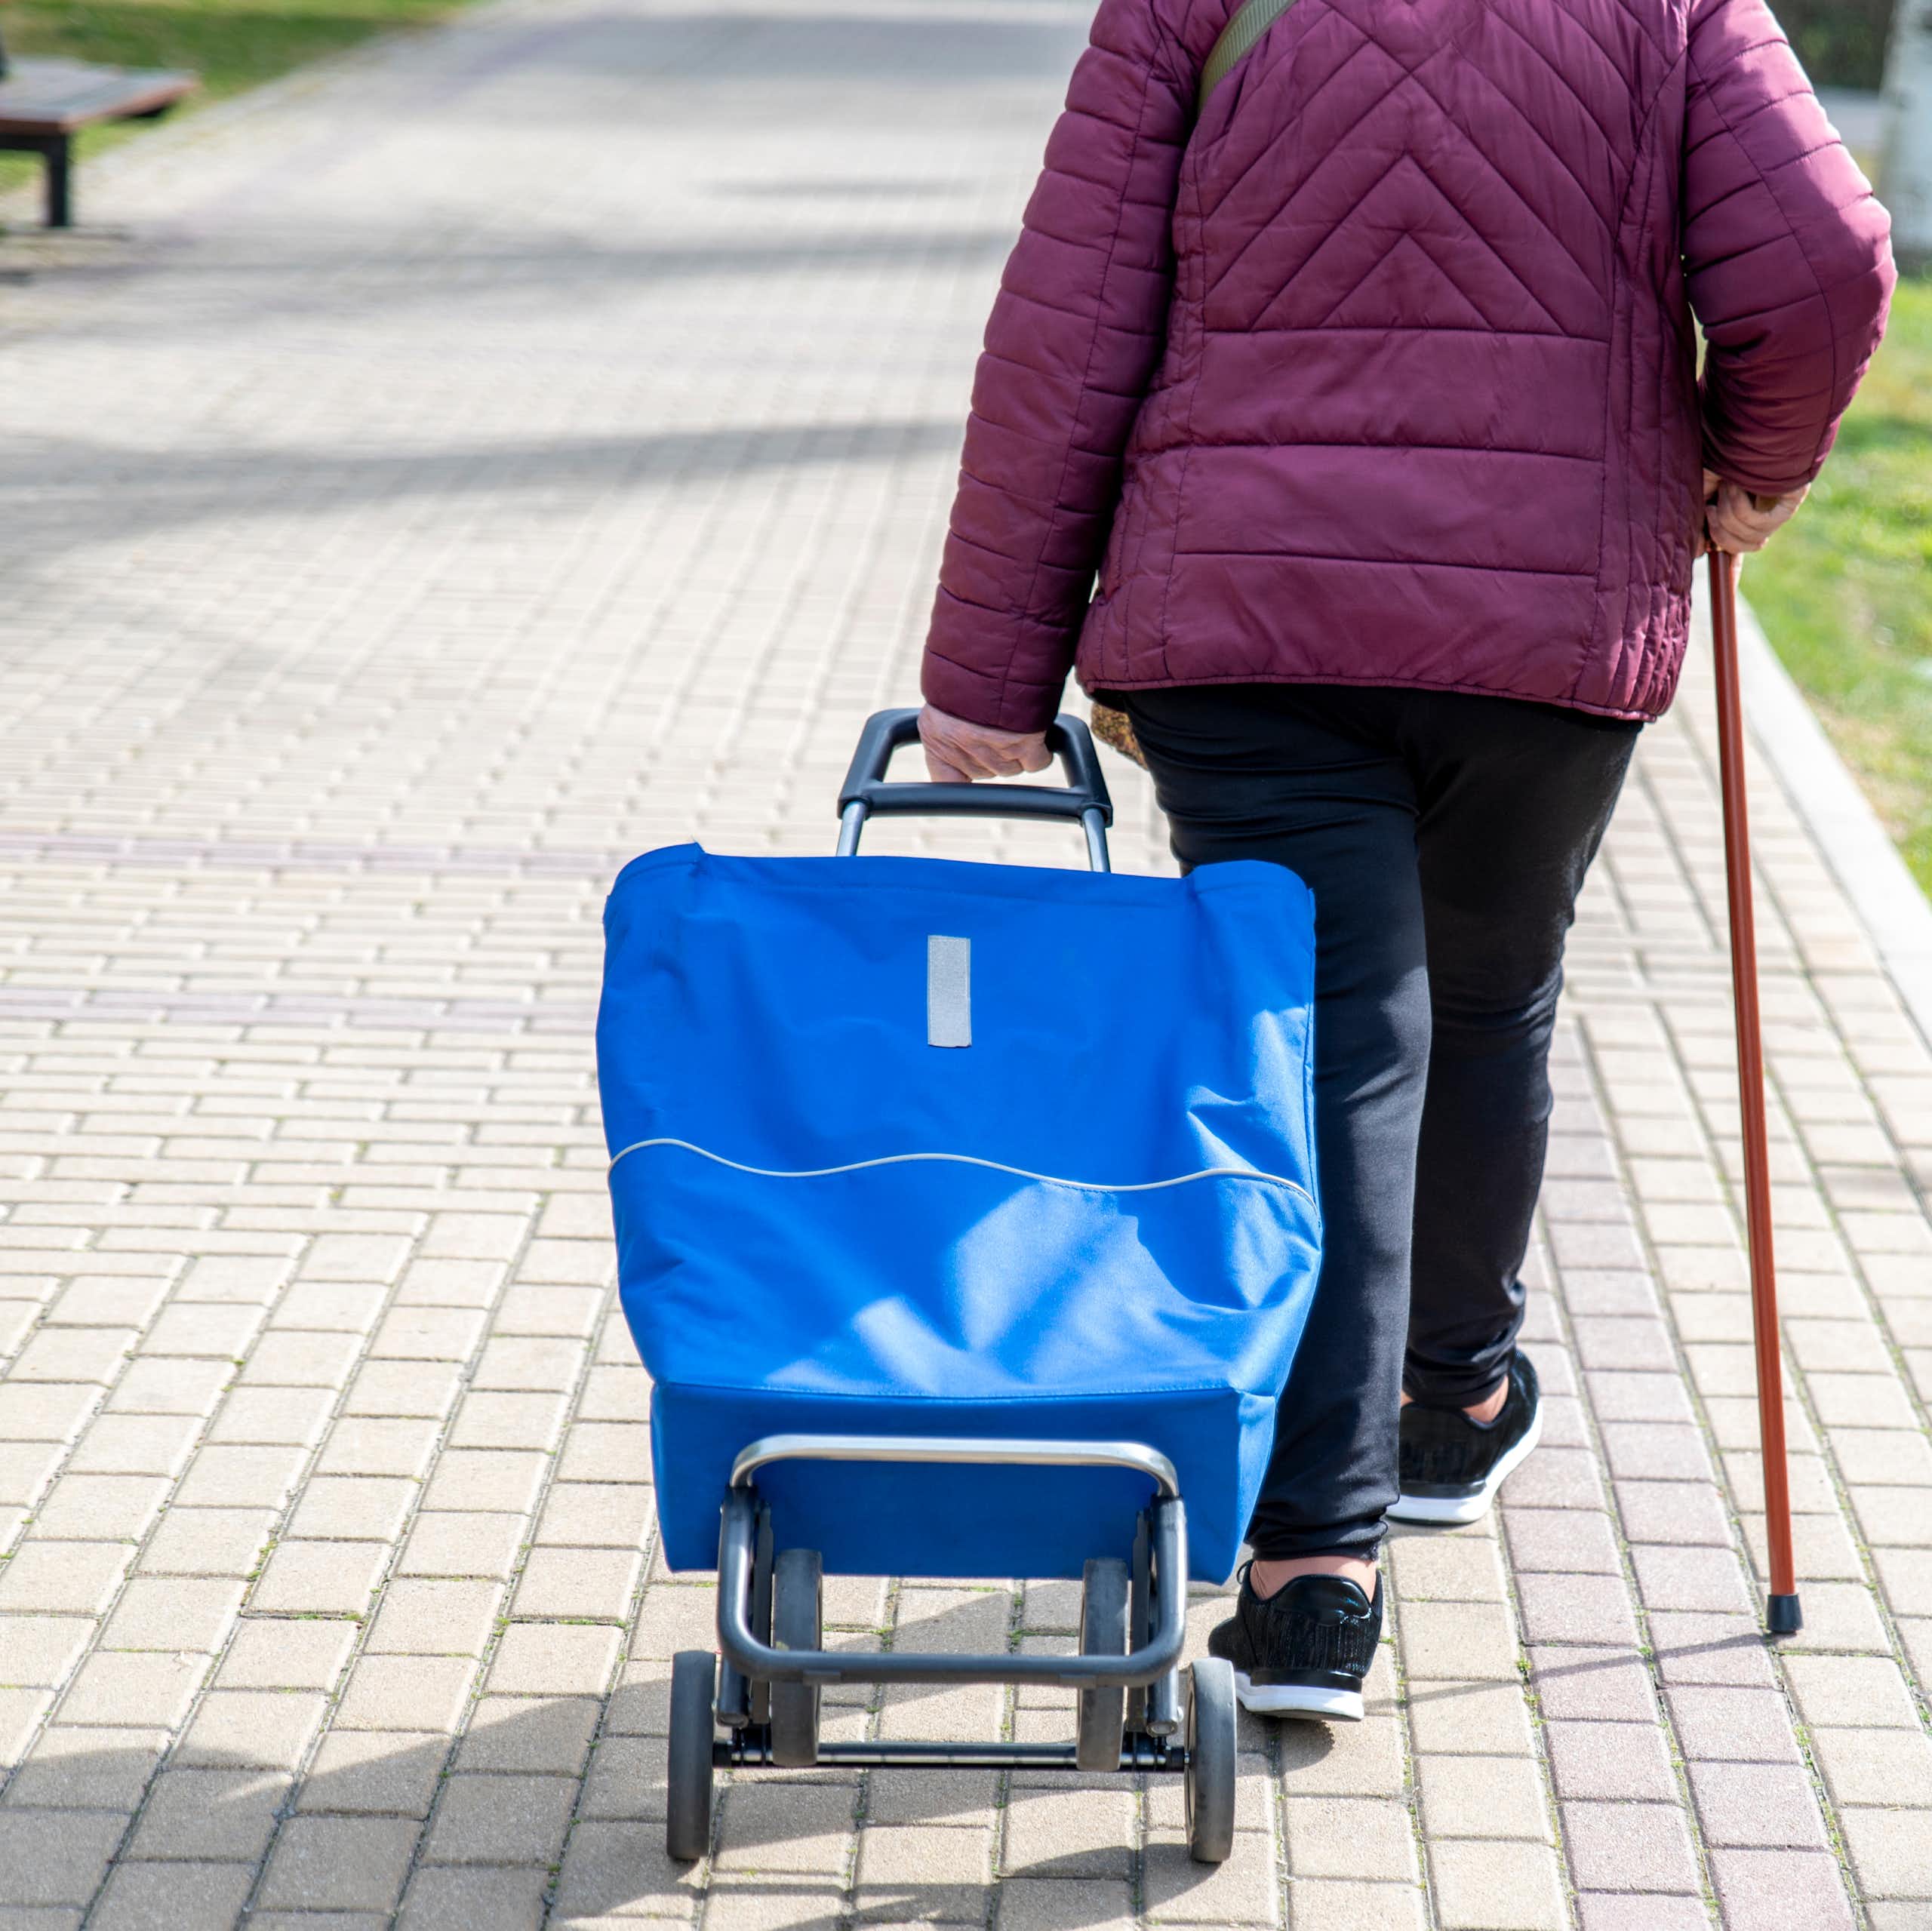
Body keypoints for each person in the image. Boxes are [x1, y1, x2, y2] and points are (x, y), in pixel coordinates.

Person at [916, 0, 1894, 1721]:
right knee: (1490, 993)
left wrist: (987, 672)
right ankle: (1448, 1405)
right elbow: (1817, 258)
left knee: (1330, 1045)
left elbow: (1067, 330)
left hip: (1244, 622)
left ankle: (1310, 1568)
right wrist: (1754, 460)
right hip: (1540, 627)